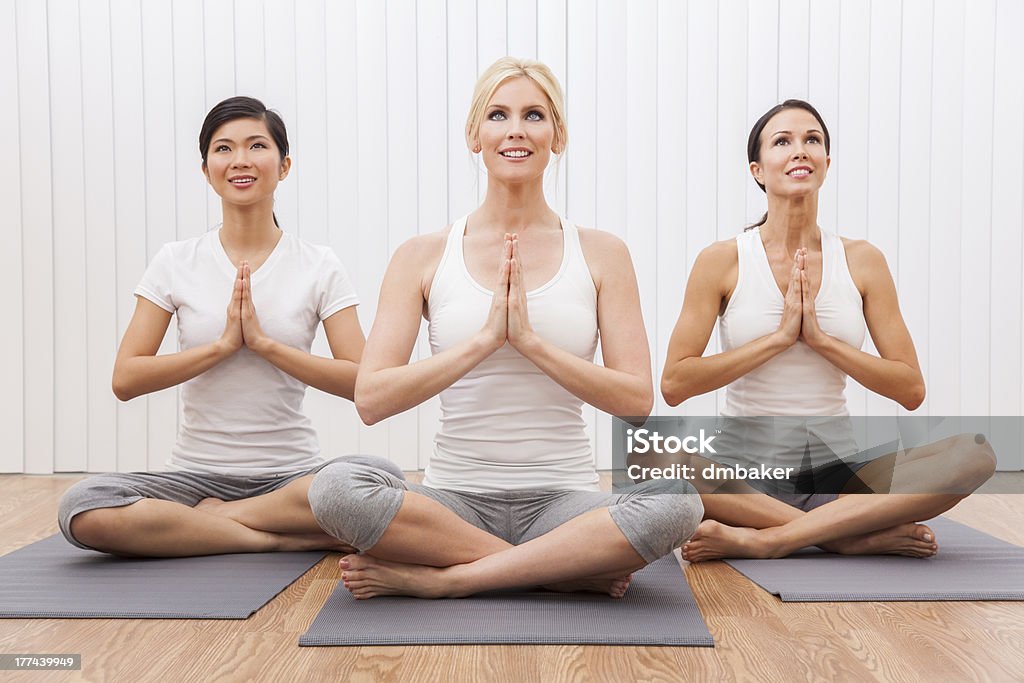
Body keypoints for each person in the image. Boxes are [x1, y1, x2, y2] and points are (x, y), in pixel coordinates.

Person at [306, 57, 703, 599]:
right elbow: (372, 399)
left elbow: (635, 400)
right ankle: (562, 571)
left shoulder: (603, 253)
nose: (516, 129)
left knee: (679, 501)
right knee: (335, 488)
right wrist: (485, 340)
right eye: (498, 114)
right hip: (454, 503)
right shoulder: (422, 255)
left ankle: (451, 581)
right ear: (475, 134)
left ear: (556, 136)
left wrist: (531, 343)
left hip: (563, 502)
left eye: (534, 115)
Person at [58, 96, 402, 557]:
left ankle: (208, 525)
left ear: (284, 166)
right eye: (224, 149)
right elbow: (126, 379)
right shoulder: (175, 261)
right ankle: (272, 539)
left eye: (257, 146)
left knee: (381, 476)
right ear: (206, 170)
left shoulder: (318, 265)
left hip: (291, 478)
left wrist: (264, 345)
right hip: (193, 477)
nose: (241, 160)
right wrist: (221, 347)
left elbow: (363, 383)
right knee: (84, 507)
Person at [660, 99, 995, 562]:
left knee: (974, 455)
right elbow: (676, 383)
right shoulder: (722, 260)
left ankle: (772, 538)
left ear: (826, 163)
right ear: (757, 170)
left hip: (839, 480)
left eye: (811, 140)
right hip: (743, 478)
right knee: (656, 457)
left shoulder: (862, 260)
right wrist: (777, 340)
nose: (800, 150)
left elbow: (910, 388)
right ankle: (843, 537)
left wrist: (820, 341)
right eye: (783, 142)